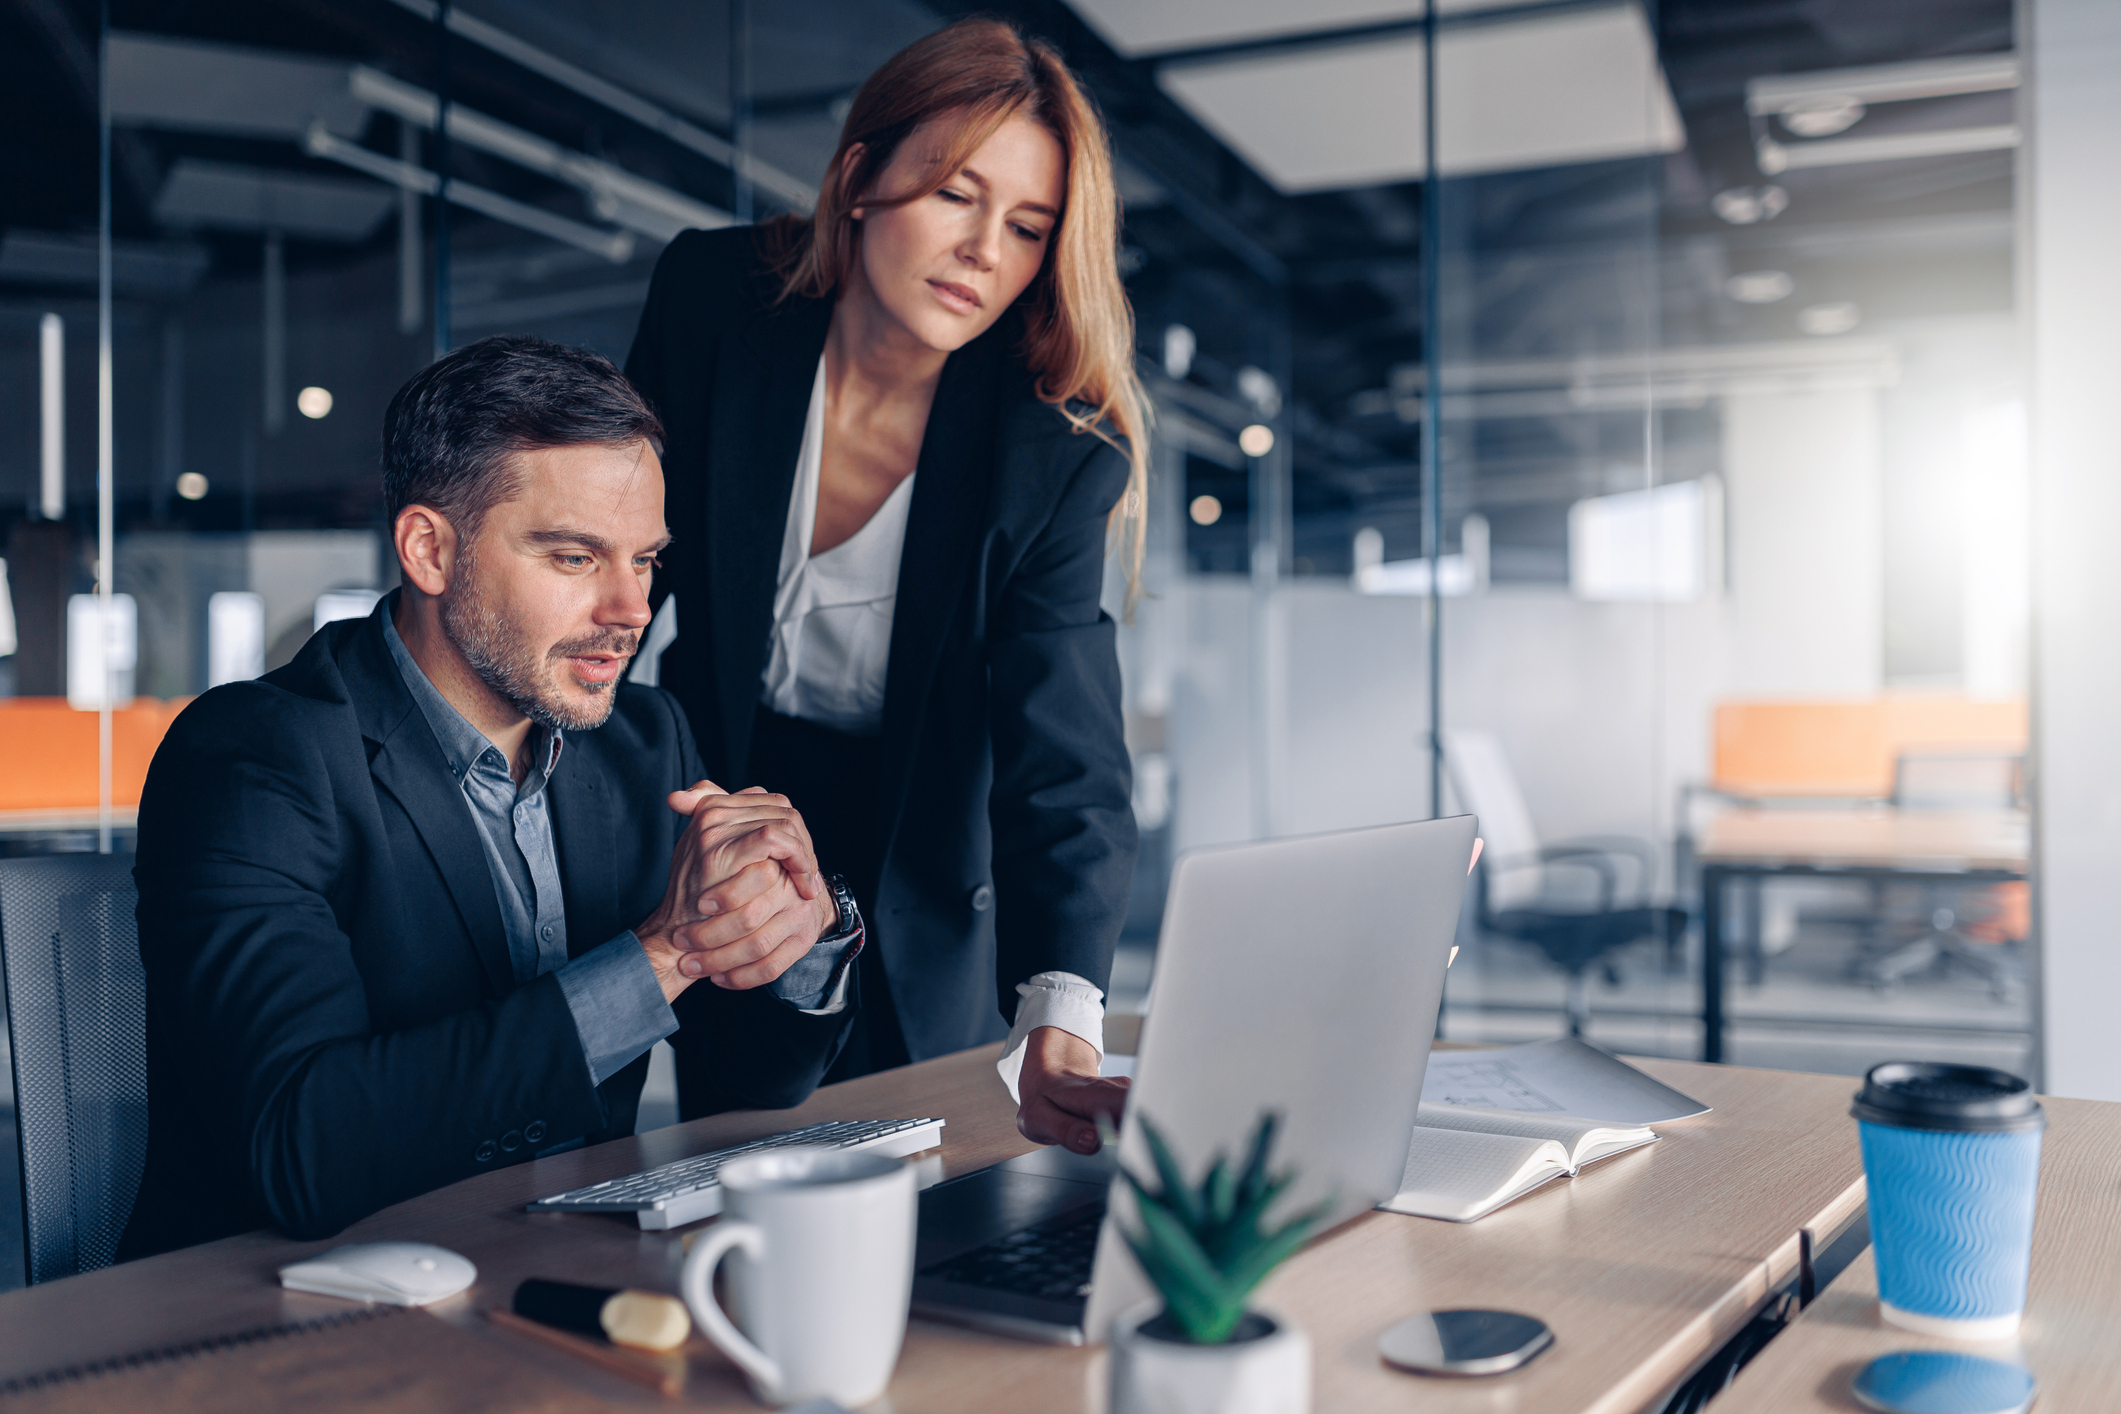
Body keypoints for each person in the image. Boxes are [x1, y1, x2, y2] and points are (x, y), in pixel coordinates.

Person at [119, 337, 862, 1259]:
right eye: (576, 559)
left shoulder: (641, 741)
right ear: (430, 549)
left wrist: (796, 928)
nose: (631, 609)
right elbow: (303, 1152)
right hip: (289, 1311)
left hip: (555, 1264)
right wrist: (663, 956)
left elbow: (751, 1081)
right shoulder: (254, 755)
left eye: (646, 561)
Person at [624, 19, 1141, 1157]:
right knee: (734, 1165)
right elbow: (622, 571)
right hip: (730, 824)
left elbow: (1068, 757)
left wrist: (1062, 1017)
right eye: (959, 196)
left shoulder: (1047, 452)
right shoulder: (715, 305)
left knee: (911, 1185)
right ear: (860, 177)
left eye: (1027, 227)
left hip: (918, 856)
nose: (985, 253)